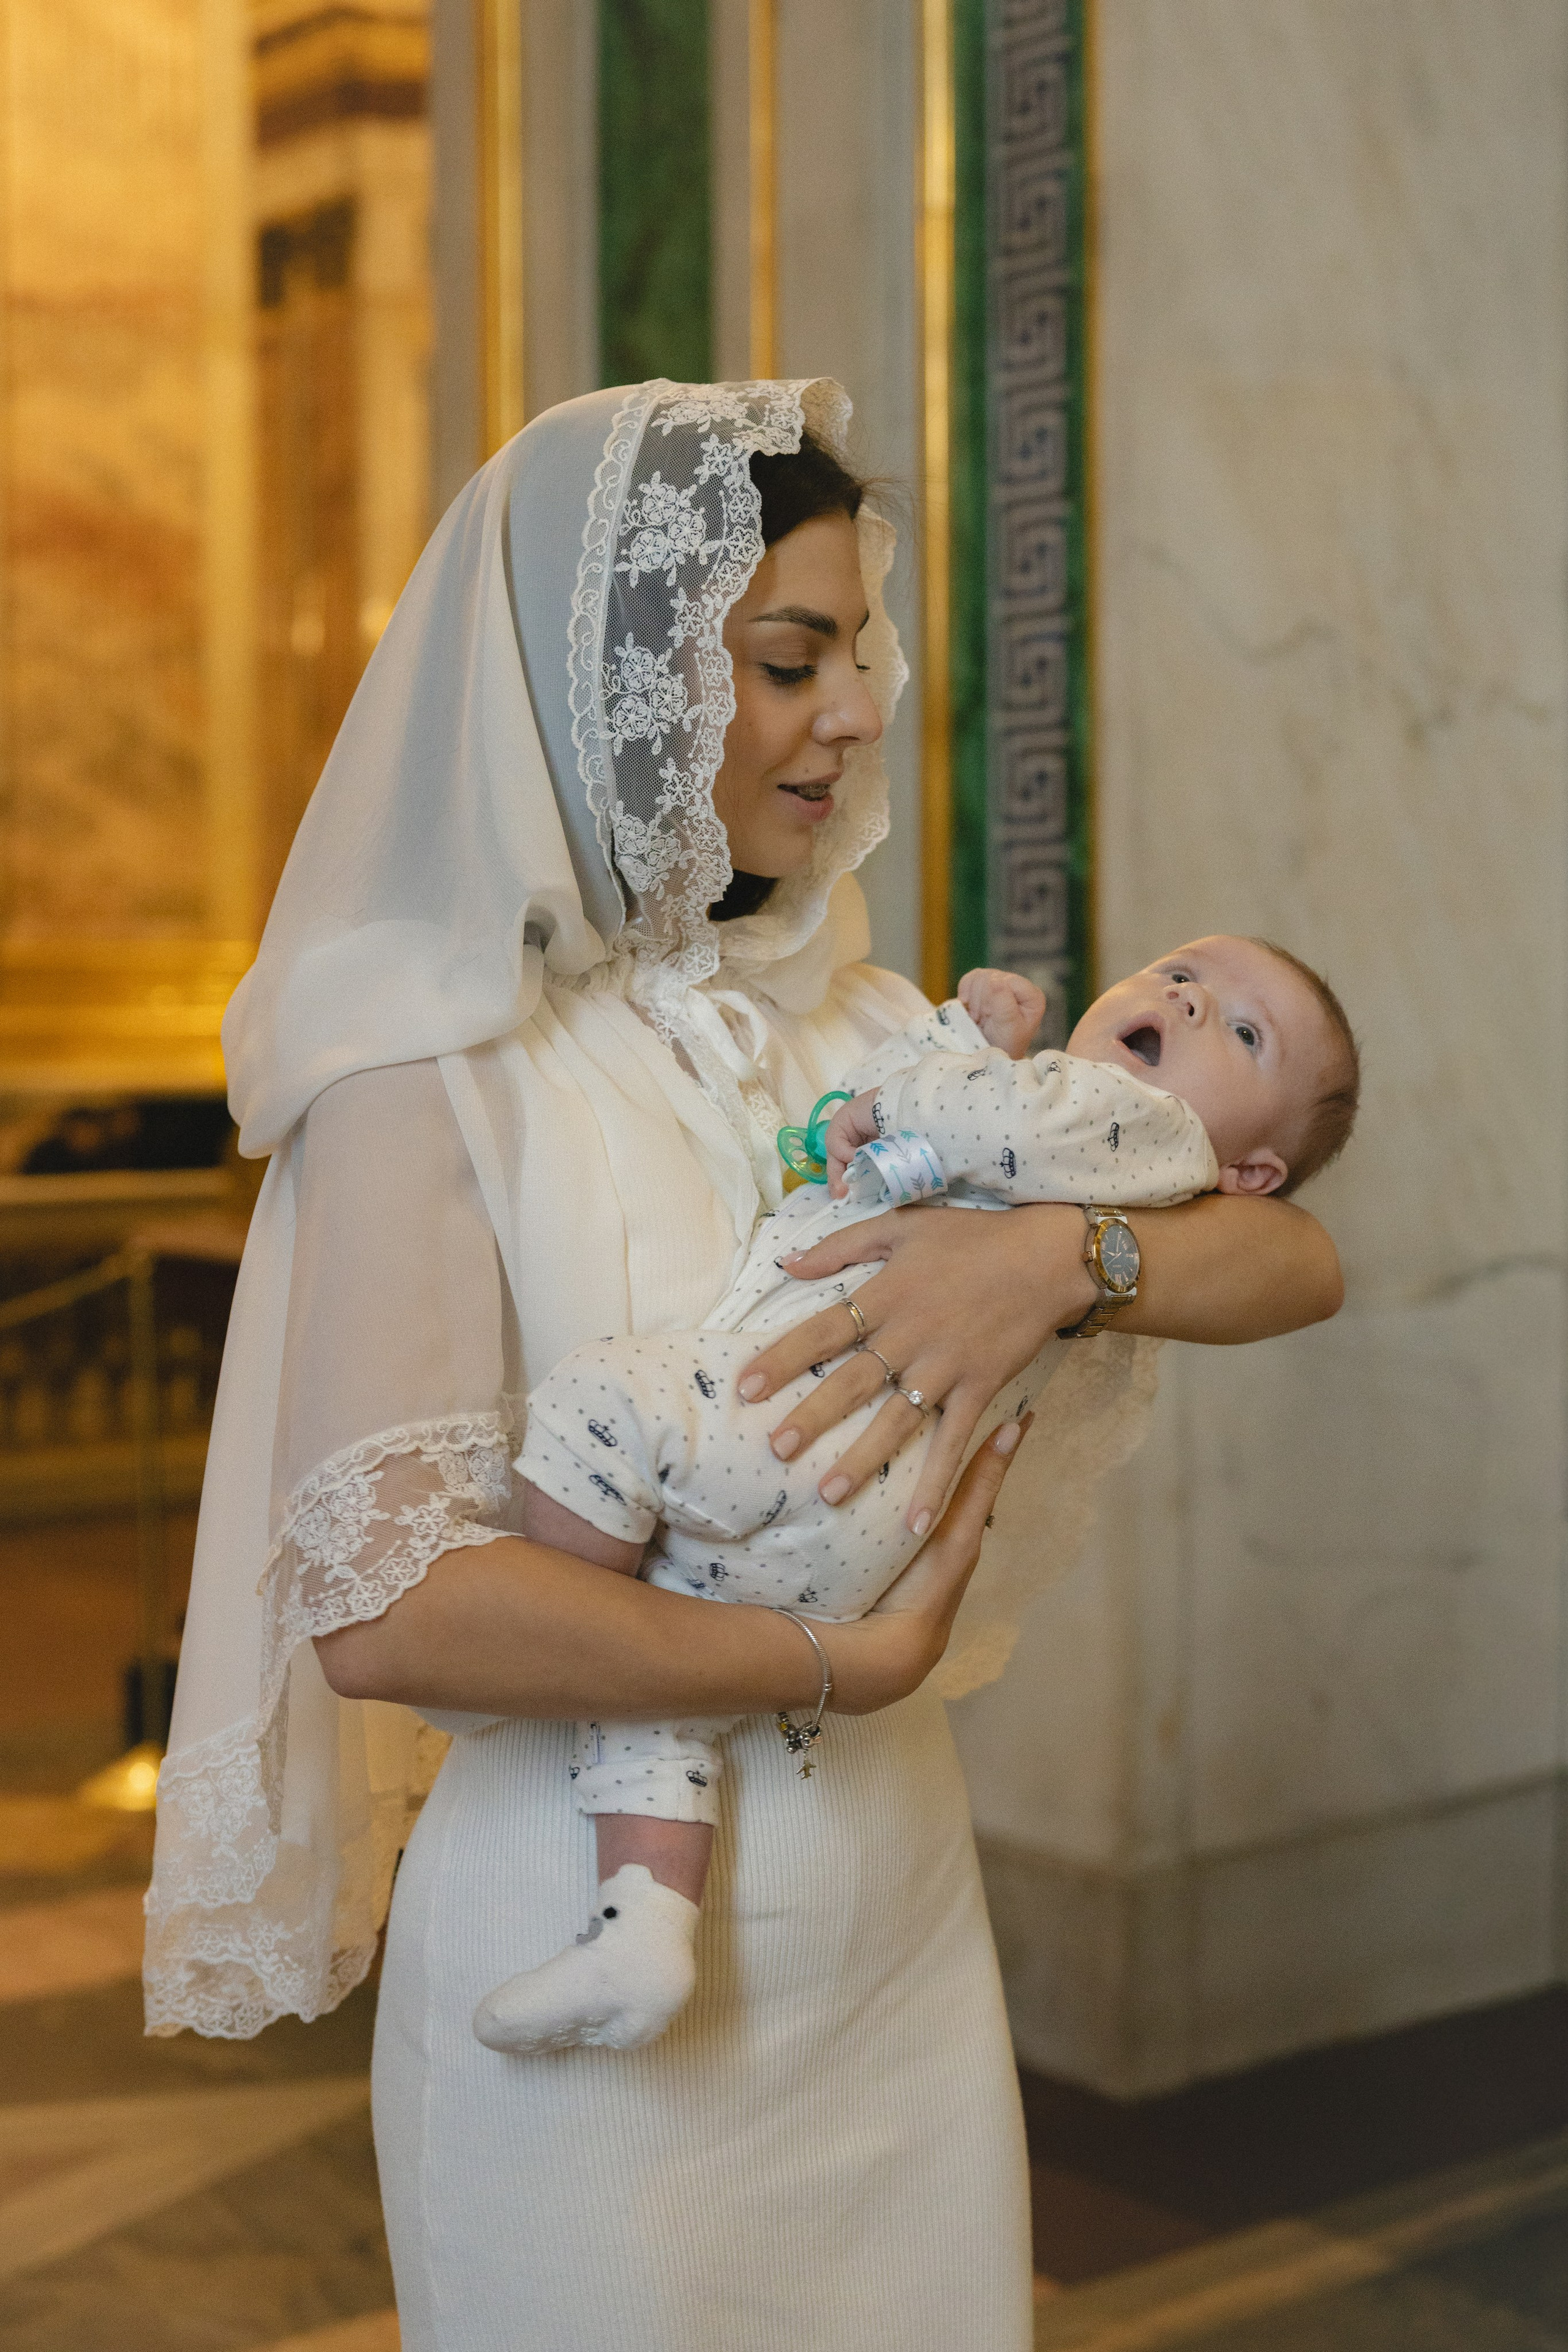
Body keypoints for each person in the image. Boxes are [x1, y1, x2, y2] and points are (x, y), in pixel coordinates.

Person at [143, 380, 1344, 2352]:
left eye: (857, 654)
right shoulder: (419, 1068)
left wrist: (1055, 1261)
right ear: (607, 686)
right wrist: (829, 1667)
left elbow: (1293, 1250)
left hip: (889, 1932)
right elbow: (393, 1610)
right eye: (792, 660)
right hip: (585, 1964)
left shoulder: (859, 1019)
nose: (860, 712)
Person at [474, 934, 1359, 2056]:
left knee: (601, 1400)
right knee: (664, 1695)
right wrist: (939, 1059)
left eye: (1243, 1031)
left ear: (1250, 1175)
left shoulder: (1130, 1124)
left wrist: (953, 1048)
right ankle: (644, 1924)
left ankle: (564, 1629)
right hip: (842, 1510)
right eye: (1185, 969)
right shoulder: (1092, 1128)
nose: (1190, 999)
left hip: (806, 1441)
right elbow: (925, 1123)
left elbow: (970, 1121)